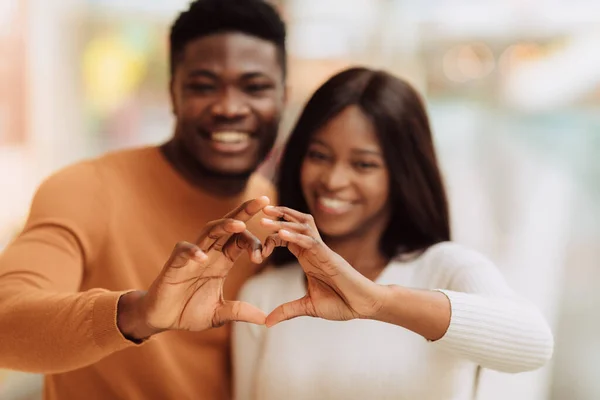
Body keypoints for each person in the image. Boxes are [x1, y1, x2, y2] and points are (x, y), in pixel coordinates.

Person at [0, 0, 287, 399]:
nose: (229, 108)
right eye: (203, 86)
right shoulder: (88, 188)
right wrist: (140, 314)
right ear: (173, 93)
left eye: (255, 87)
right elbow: (5, 323)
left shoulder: (284, 217)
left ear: (283, 98)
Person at [232, 67, 554, 400]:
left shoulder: (446, 269)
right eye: (319, 156)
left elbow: (534, 345)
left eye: (364, 164)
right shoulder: (263, 295)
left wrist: (376, 301)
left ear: (401, 173)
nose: (333, 180)